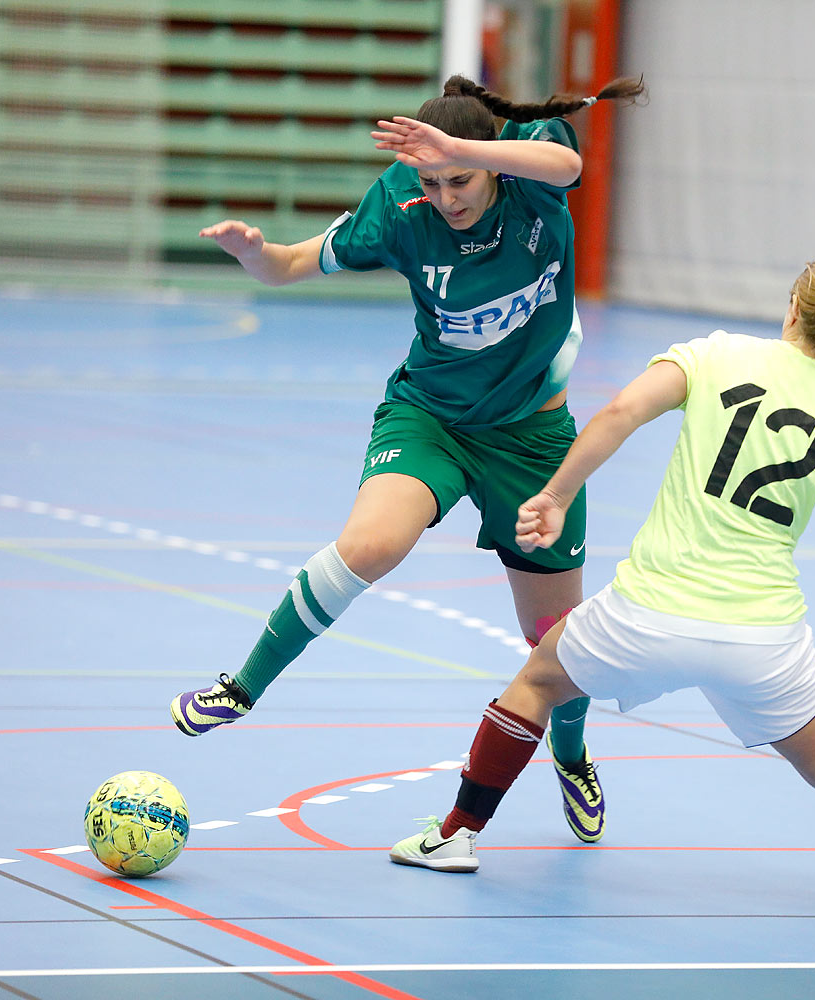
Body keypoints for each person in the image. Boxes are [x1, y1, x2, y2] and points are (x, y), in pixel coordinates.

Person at [388, 256, 815, 921]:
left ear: (793, 306)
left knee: (536, 683)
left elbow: (622, 410)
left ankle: (452, 835)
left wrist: (557, 494)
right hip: (762, 638)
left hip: (649, 610)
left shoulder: (715, 355)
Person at [169, 74, 646, 844]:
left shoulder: (530, 165)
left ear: (484, 161)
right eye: (431, 181)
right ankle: (243, 685)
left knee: (556, 633)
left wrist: (458, 148)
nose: (446, 194)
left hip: (533, 439)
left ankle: (572, 753)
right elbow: (290, 264)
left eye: (457, 179)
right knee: (371, 544)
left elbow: (570, 171)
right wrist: (254, 254)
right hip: (430, 416)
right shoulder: (400, 203)